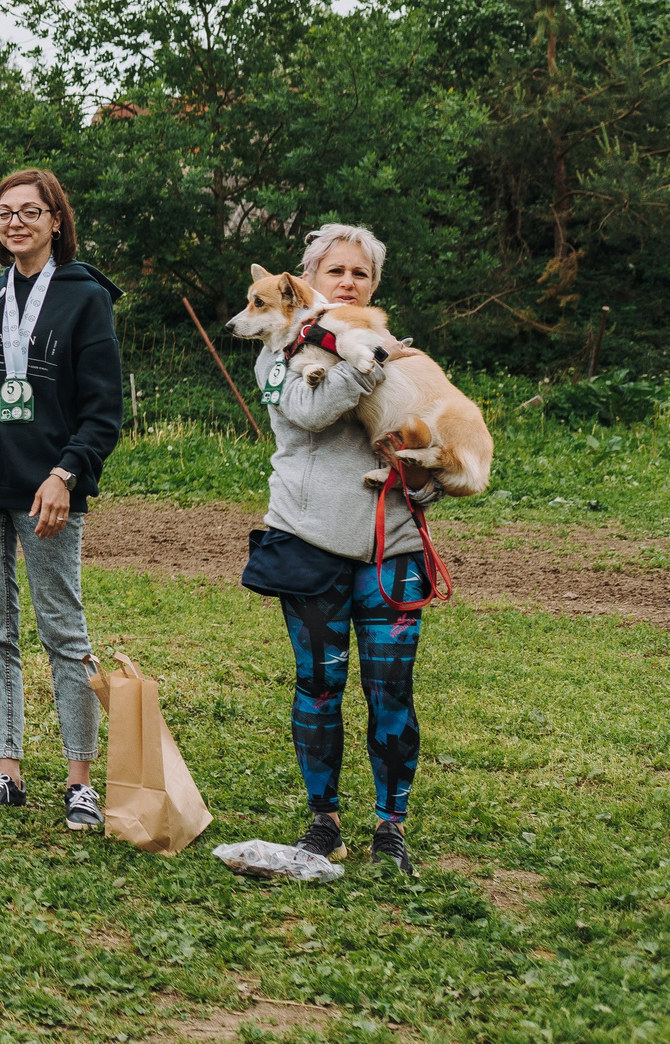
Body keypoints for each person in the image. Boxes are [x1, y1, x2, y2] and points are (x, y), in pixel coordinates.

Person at [0, 168, 122, 829]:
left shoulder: (83, 296)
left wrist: (67, 474)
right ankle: (6, 770)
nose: (14, 223)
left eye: (29, 212)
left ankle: (79, 781)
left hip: (47, 487)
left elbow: (103, 410)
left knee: (63, 631)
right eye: (4, 213)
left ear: (55, 221)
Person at [248, 222, 431, 876]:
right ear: (308, 284)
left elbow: (427, 429)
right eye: (336, 271)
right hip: (309, 539)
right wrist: (369, 358)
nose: (348, 281)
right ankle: (324, 820)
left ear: (373, 285)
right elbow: (309, 410)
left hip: (392, 545)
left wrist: (427, 477)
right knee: (319, 685)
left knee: (391, 691)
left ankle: (392, 824)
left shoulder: (391, 351)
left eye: (361, 274)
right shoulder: (276, 352)